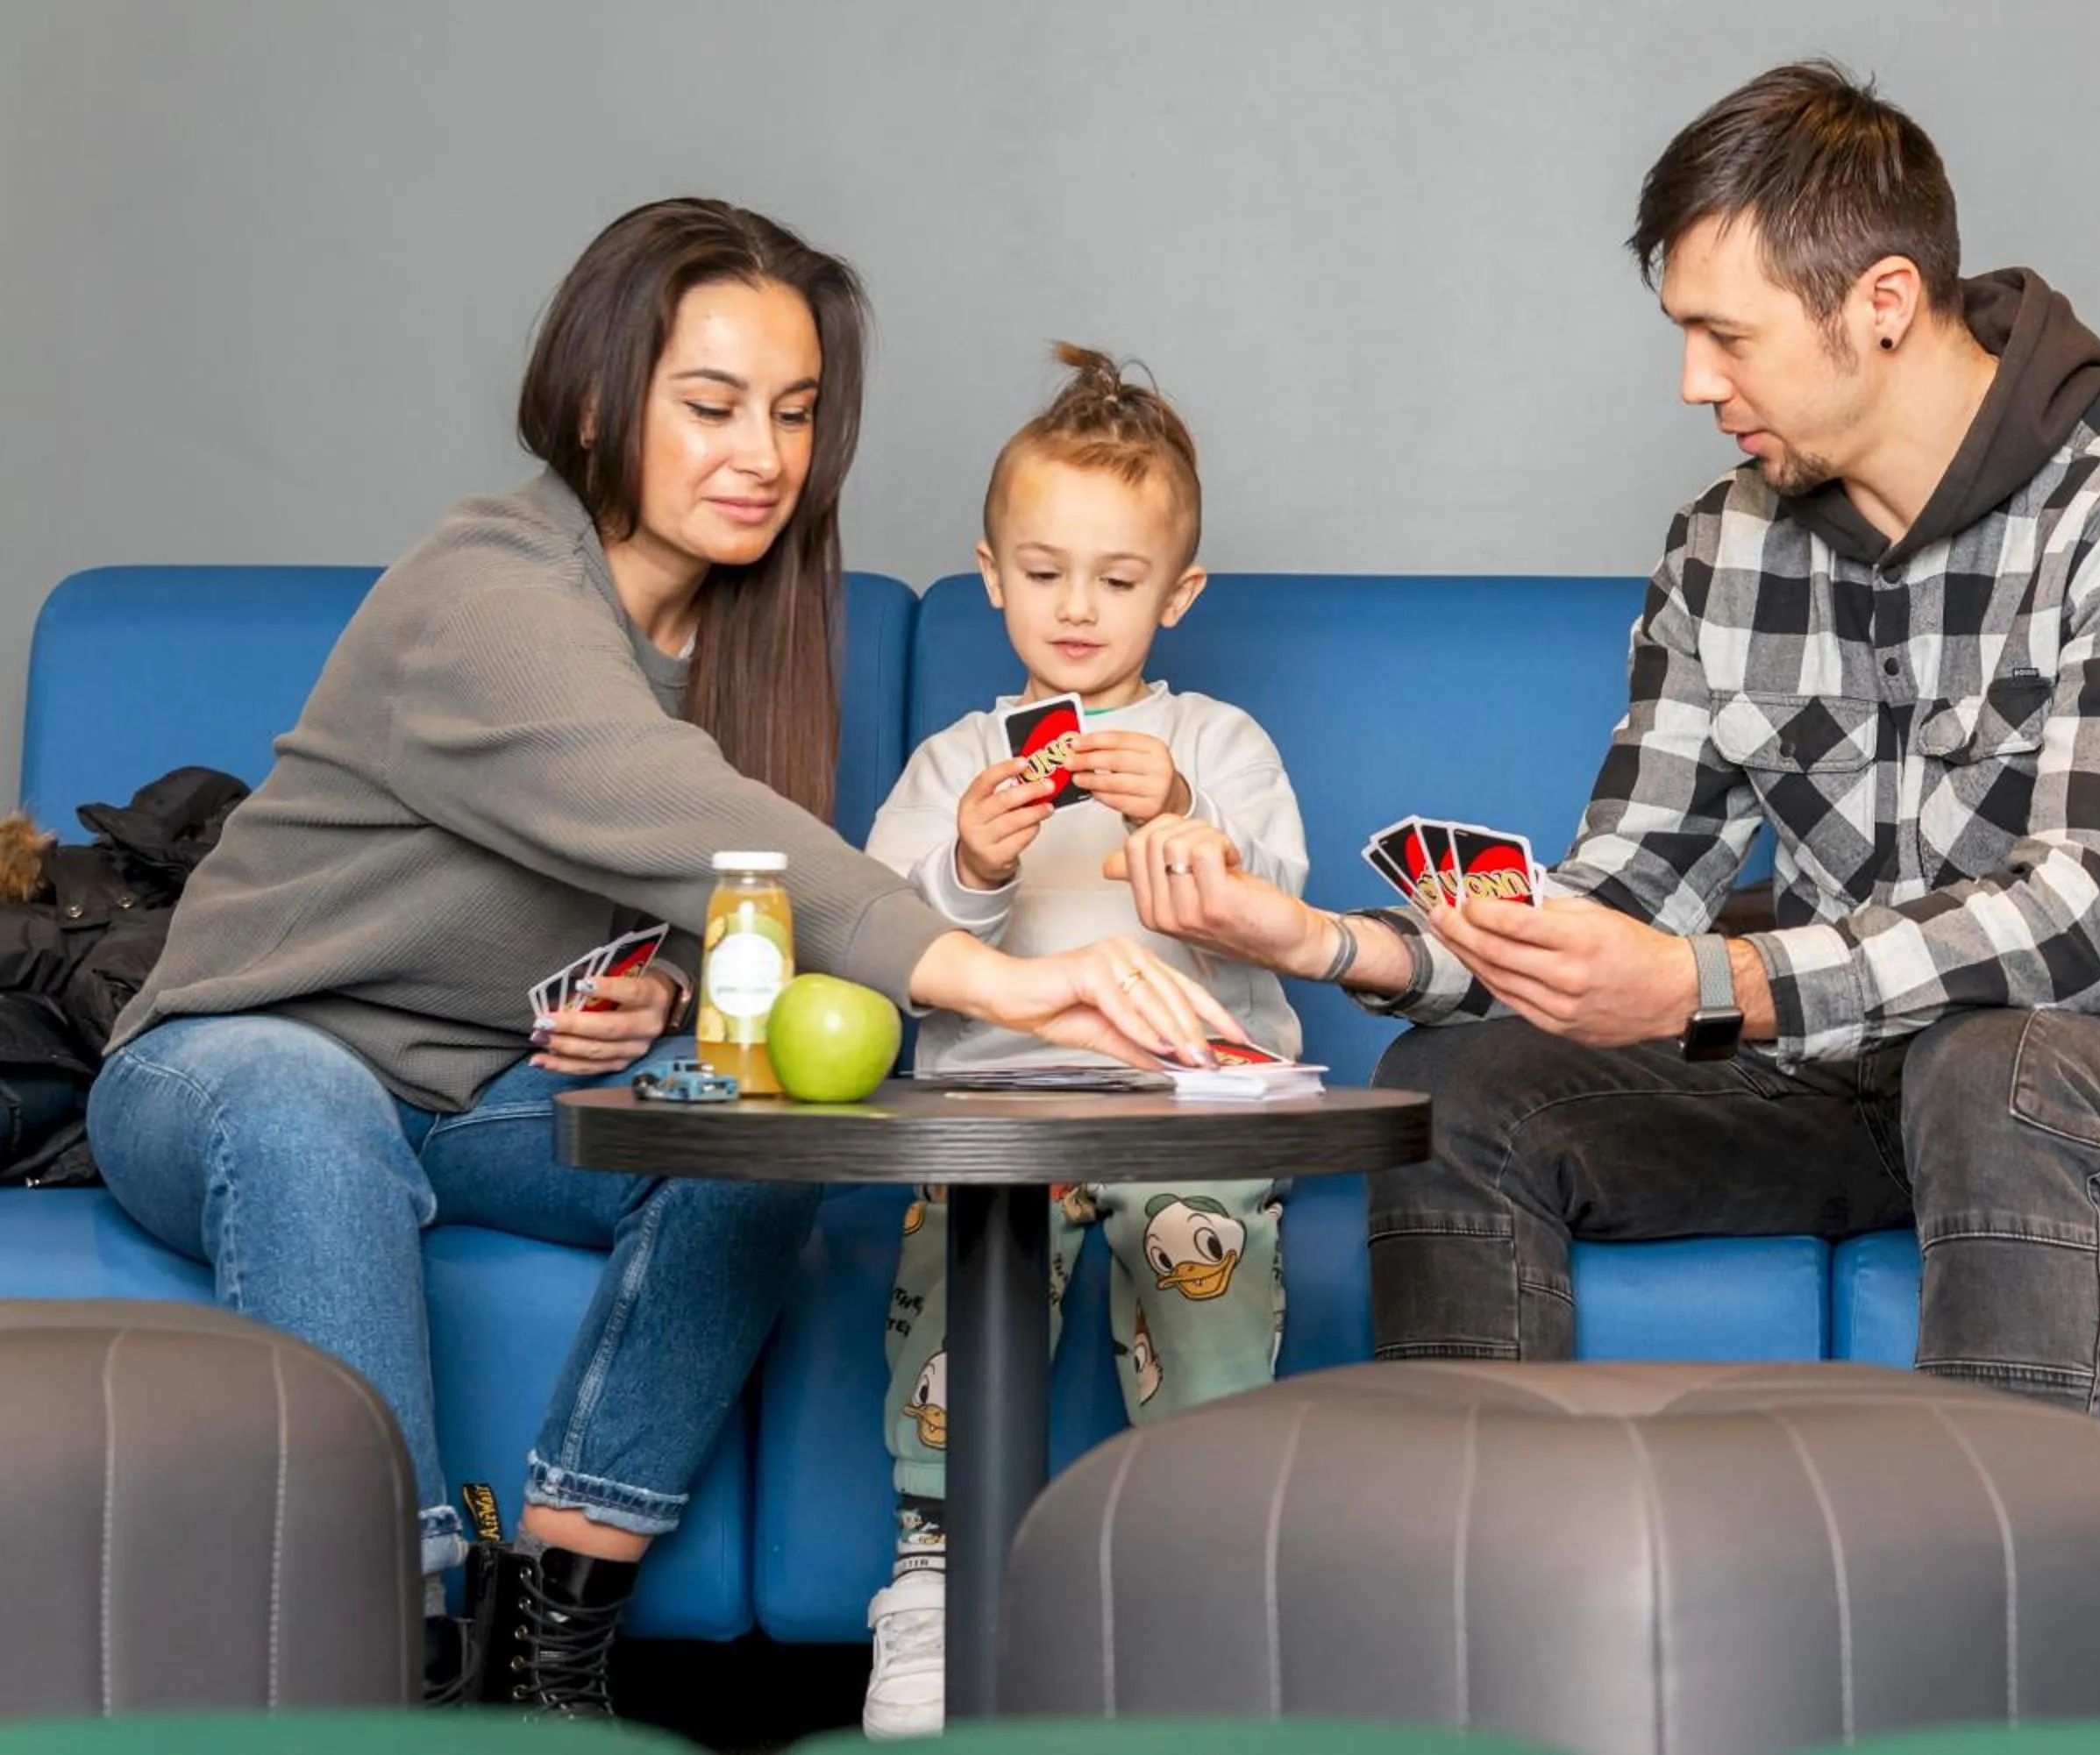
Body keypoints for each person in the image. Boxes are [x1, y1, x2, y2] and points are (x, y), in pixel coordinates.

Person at [85, 201, 1239, 1718]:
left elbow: (691, 897)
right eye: (710, 406)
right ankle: (401, 1663)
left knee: (753, 1139)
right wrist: (1000, 979)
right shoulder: (484, 588)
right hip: (227, 1063)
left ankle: (557, 1638)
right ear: (593, 403)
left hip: (474, 1092)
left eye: (795, 412)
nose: (761, 452)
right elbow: (668, 811)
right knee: (305, 1103)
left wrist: (669, 993)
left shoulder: (751, 638)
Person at [1109, 60, 2100, 1415]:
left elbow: (2096, 916)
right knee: (1457, 1089)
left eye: (1727, 335)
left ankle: (1984, 1619)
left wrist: (1716, 986)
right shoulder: (1724, 542)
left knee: (1998, 1067)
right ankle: (1476, 1598)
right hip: (1852, 1077)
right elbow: (1623, 899)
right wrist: (1325, 942)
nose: (1692, 383)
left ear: (1881, 304)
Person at [858, 344, 1304, 1738]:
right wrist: (970, 869)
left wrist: (1178, 816)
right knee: (952, 1256)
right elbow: (878, 947)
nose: (1076, 608)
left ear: (1178, 597)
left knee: (1209, 1256)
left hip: (1184, 1102)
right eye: (1043, 573)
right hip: (998, 1110)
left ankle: (1202, 1563)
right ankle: (935, 1571)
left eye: (1118, 583)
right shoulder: (952, 762)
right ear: (989, 573)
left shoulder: (1218, 742)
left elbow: (1272, 917)